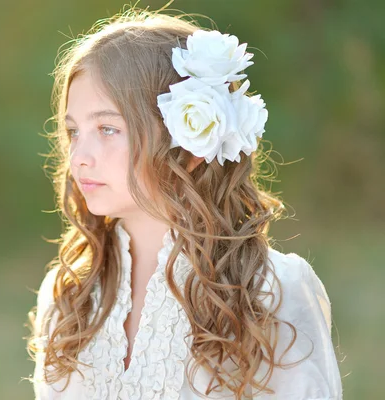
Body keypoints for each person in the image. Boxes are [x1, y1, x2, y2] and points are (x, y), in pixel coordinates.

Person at [25, 5, 343, 400]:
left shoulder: (269, 293)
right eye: (73, 131)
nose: (79, 156)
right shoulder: (69, 295)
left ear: (189, 142)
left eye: (107, 128)